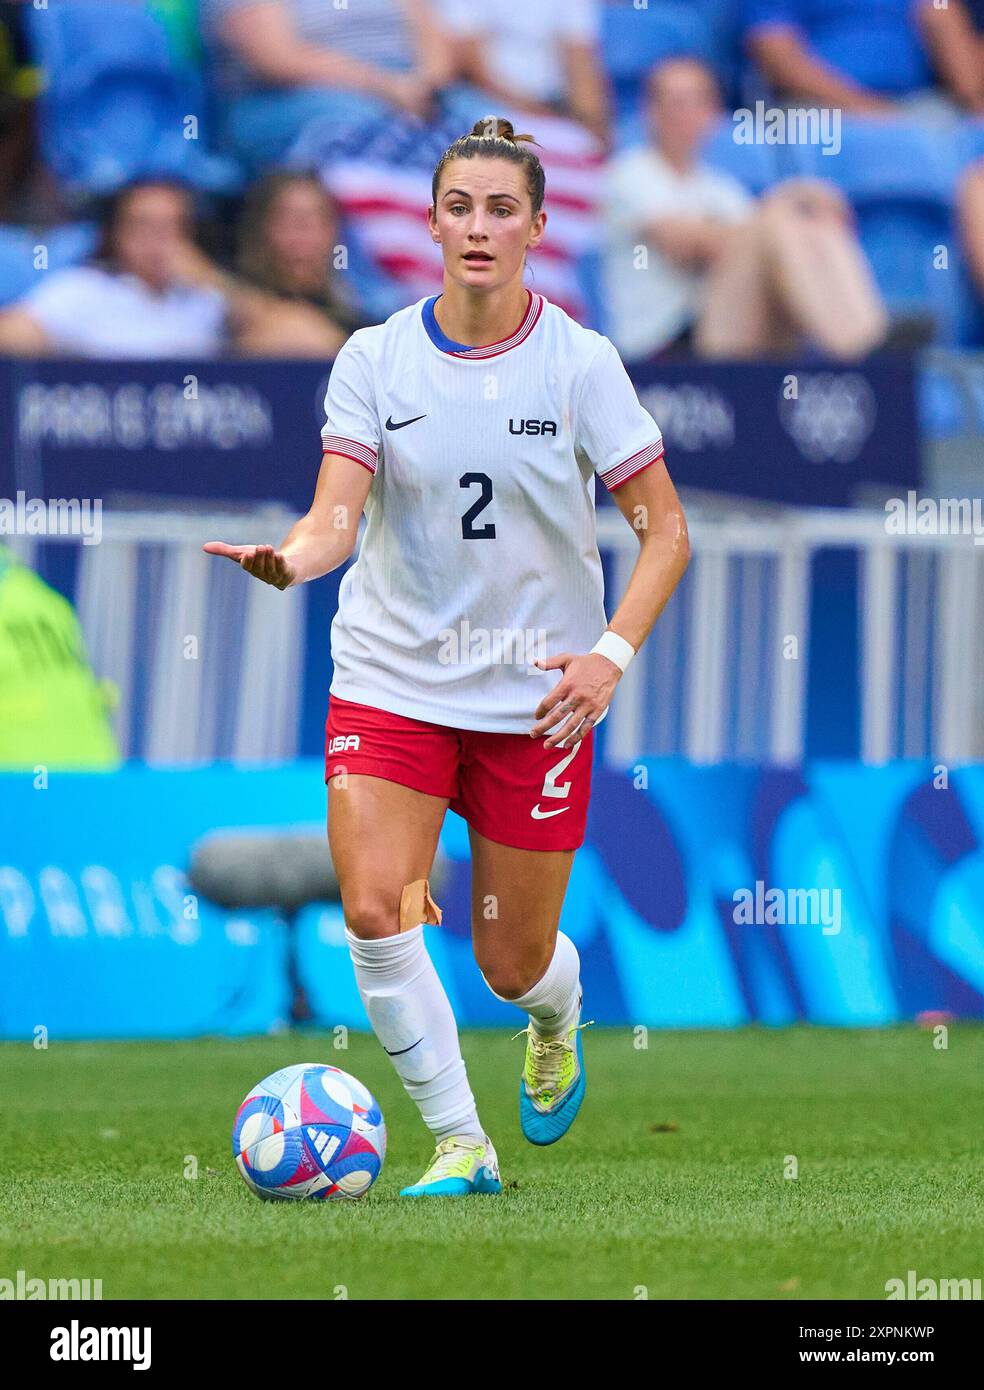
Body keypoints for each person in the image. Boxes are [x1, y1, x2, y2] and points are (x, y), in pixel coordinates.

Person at [203, 116, 690, 1196]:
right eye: (459, 208)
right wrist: (294, 558)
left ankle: (557, 1011)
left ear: (537, 227)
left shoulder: (580, 363)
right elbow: (338, 517)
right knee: (375, 908)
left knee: (508, 961)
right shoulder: (374, 359)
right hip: (393, 677)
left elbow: (668, 531)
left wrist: (608, 654)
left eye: (501, 209)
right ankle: (462, 1144)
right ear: (430, 223)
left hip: (536, 699)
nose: (478, 227)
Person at [603, 57, 890, 362]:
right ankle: (860, 349)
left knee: (814, 223)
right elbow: (688, 245)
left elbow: (757, 241)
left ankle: (869, 338)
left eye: (694, 102)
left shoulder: (719, 186)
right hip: (663, 346)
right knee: (781, 220)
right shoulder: (630, 173)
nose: (683, 114)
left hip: (725, 330)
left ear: (711, 113)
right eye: (673, 102)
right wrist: (790, 198)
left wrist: (794, 208)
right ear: (651, 111)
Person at [199, 0, 457, 177]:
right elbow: (276, 58)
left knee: (485, 126)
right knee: (370, 133)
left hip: (408, 85)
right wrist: (386, 87)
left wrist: (426, 87)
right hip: (288, 94)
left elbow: (435, 40)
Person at [0, 179, 230, 358]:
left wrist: (212, 280)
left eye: (170, 227)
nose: (157, 241)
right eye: (143, 225)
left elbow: (266, 338)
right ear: (117, 233)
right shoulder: (83, 289)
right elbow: (12, 334)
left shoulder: (208, 298)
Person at [741, 0, 984, 117]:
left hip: (919, 105)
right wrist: (867, 108)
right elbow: (777, 55)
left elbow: (940, 15)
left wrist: (974, 102)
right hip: (818, 108)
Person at [437, 0, 611, 149]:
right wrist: (535, 113)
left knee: (582, 146)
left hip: (551, 106)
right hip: (477, 100)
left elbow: (581, 65)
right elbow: (472, 64)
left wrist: (596, 128)